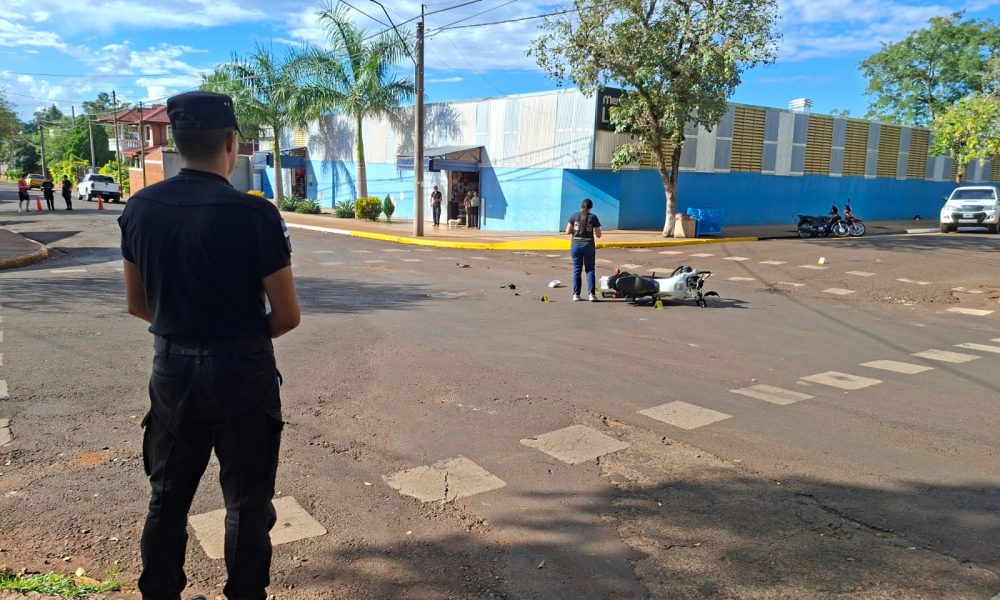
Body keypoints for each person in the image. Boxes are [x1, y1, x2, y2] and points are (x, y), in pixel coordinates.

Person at [119, 91, 301, 600]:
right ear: (231, 143)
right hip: (243, 370)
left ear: (175, 143)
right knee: (246, 501)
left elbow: (138, 305)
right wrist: (236, 337)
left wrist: (188, 327)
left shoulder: (139, 209)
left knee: (168, 497)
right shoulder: (255, 215)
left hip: (172, 370)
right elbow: (286, 317)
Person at [565, 198, 602, 302]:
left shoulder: (574, 216)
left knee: (577, 270)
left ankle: (576, 294)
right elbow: (598, 235)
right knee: (590, 270)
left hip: (576, 245)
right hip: (588, 246)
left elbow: (567, 231)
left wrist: (576, 229)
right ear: (591, 207)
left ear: (581, 206)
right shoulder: (593, 217)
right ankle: (591, 294)